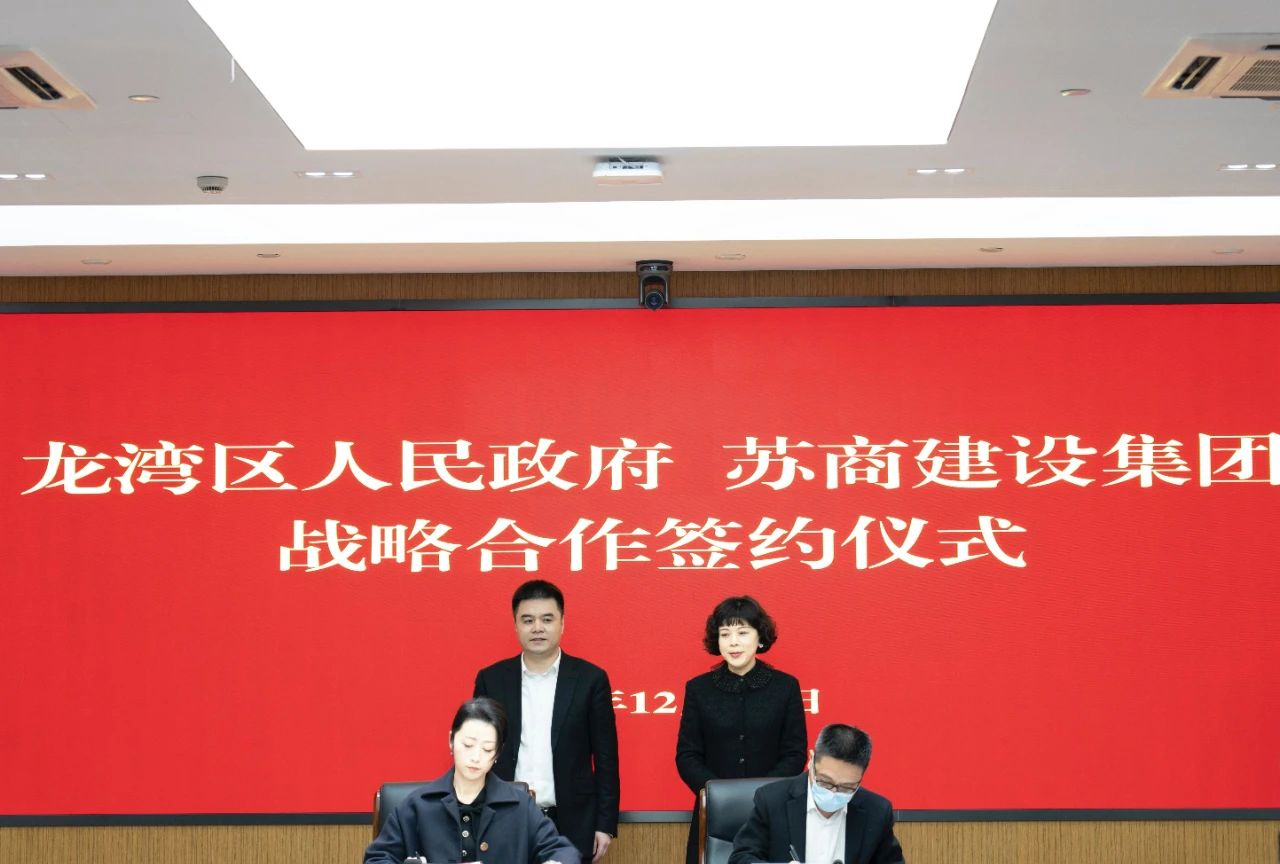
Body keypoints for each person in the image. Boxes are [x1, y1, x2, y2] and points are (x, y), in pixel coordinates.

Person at [474, 580, 620, 864]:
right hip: (504, 819)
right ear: (516, 625)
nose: (537, 628)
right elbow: (477, 755)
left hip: (572, 824)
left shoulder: (590, 679)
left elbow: (606, 758)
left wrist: (605, 824)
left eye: (547, 619)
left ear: (562, 624)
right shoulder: (492, 680)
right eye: (528, 620)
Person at [365, 697, 580, 864]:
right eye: (468, 745)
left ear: (497, 754)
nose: (476, 757)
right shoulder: (416, 805)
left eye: (487, 749)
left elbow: (562, 851)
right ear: (451, 741)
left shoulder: (521, 806)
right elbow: (377, 858)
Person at [675, 595, 808, 864]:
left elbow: (794, 754)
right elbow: (687, 755)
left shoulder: (785, 687)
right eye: (725, 634)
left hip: (772, 811)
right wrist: (719, 796)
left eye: (743, 632)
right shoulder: (699, 689)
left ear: (760, 638)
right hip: (714, 814)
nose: (733, 642)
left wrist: (762, 796)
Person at [728, 724, 904, 864]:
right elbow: (741, 858)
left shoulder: (877, 812)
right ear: (811, 761)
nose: (833, 792)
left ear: (861, 778)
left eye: (846, 787)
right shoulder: (772, 800)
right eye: (825, 782)